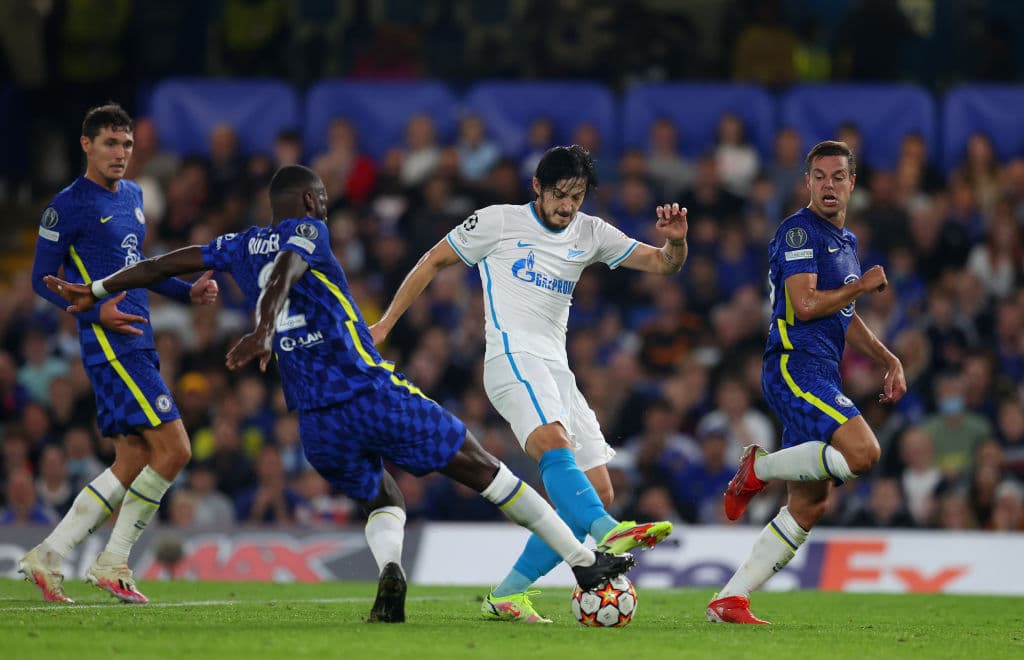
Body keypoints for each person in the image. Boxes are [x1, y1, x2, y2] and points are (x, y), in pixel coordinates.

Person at [45, 164, 636, 623]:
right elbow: (285, 272)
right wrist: (261, 326)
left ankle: (390, 574)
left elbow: (162, 264)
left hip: (315, 422)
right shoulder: (308, 230)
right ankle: (586, 564)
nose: (325, 206)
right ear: (308, 203)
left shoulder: (239, 244)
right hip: (368, 390)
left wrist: (96, 287)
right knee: (487, 471)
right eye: (322, 198)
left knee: (383, 499)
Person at [369, 145, 688, 622]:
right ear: (536, 187)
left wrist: (677, 243)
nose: (567, 206)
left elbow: (663, 264)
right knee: (556, 451)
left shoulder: (591, 232)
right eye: (559, 194)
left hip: (558, 371)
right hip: (511, 359)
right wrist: (385, 325)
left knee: (595, 492)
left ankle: (507, 594)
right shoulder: (498, 222)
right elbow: (431, 261)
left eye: (577, 197)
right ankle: (609, 533)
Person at [20, 103, 219, 604]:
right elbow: (40, 281)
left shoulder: (132, 195)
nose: (121, 154)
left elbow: (140, 267)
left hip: (139, 337)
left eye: (127, 145)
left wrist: (186, 292)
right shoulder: (67, 205)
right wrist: (93, 315)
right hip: (112, 342)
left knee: (132, 458)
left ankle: (49, 555)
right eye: (110, 143)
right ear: (86, 144)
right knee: (175, 450)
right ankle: (114, 562)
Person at [707, 140, 907, 624]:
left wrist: (887, 357)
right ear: (807, 183)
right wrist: (861, 284)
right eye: (819, 176)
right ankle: (760, 468)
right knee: (864, 454)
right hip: (795, 368)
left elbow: (844, 316)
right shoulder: (799, 232)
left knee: (810, 505)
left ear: (852, 183)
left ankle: (729, 599)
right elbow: (808, 305)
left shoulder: (846, 243)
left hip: (820, 370)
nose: (829, 185)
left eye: (838, 176)